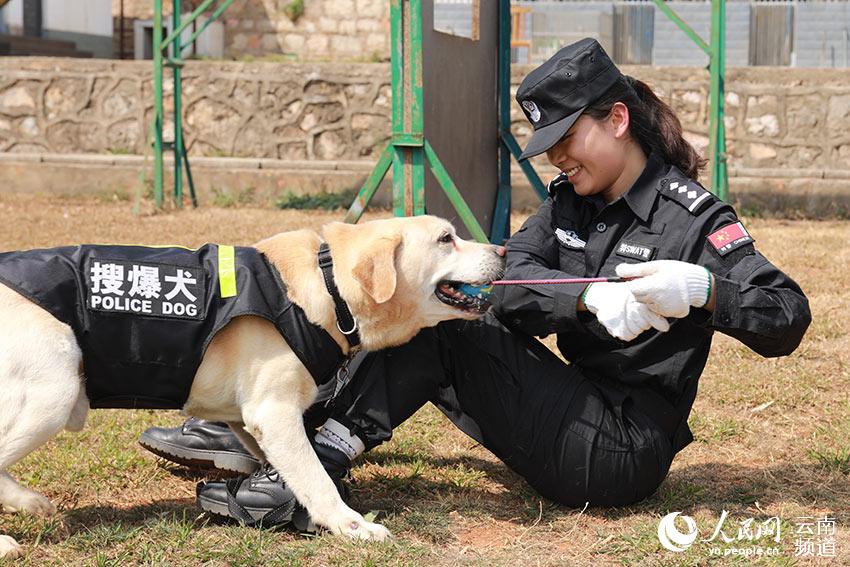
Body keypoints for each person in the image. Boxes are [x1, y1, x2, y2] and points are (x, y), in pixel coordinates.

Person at [140, 38, 811, 526]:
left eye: (566, 138)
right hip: (568, 398)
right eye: (546, 144)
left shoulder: (691, 216)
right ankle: (289, 433)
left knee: (444, 329)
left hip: (621, 446)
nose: (555, 157)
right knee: (442, 303)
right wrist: (582, 297)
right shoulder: (569, 202)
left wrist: (705, 291)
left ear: (617, 118)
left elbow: (788, 315)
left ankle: (303, 468)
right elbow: (506, 279)